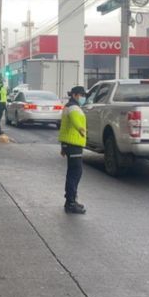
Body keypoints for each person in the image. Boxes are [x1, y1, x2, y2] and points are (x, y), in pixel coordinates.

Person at [59, 86, 88, 214]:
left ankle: (70, 200)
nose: (83, 98)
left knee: (73, 172)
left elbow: (64, 125)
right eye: (82, 95)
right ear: (75, 95)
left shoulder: (68, 106)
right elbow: (75, 120)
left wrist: (63, 146)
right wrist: (81, 129)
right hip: (74, 143)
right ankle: (71, 203)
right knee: (75, 173)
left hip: (69, 143)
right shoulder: (74, 107)